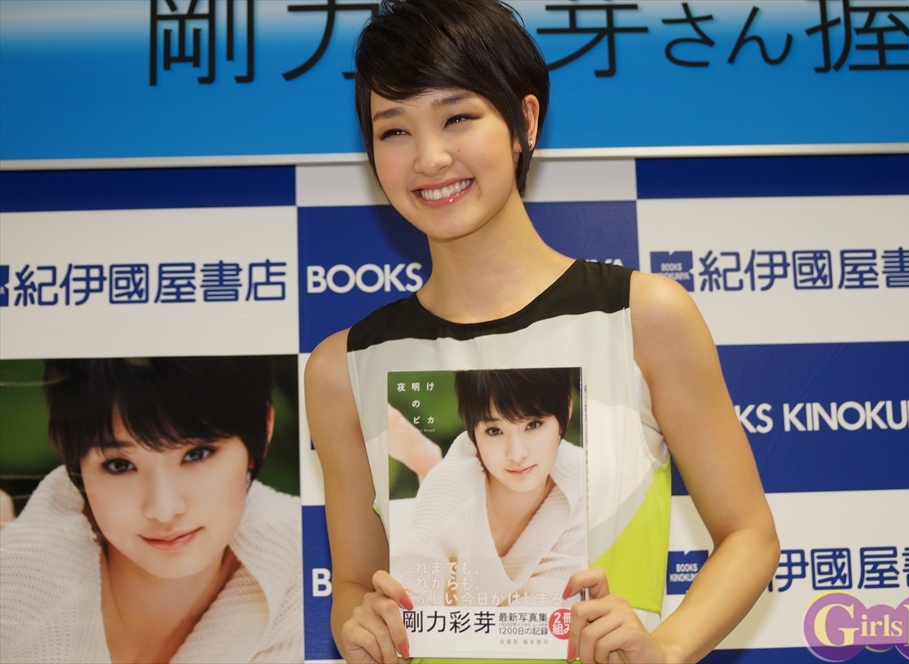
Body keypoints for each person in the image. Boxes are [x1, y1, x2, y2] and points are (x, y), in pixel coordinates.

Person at [303, 0, 779, 662]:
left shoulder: (642, 317)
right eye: (395, 131)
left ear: (524, 122)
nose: (430, 158)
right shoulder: (343, 367)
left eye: (458, 117)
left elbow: (750, 535)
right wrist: (358, 625)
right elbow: (354, 583)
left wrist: (666, 650)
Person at [0, 357, 302, 664]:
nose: (163, 510)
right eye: (120, 465)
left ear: (264, 429)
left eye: (196, 454)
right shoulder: (16, 591)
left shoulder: (309, 578)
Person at [390, 368, 584, 607]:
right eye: (494, 431)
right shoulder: (450, 489)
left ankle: (426, 461)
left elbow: (551, 607)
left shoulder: (580, 483)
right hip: (418, 527)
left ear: (567, 410)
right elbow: (410, 606)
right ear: (471, 429)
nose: (517, 454)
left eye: (533, 424)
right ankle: (425, 460)